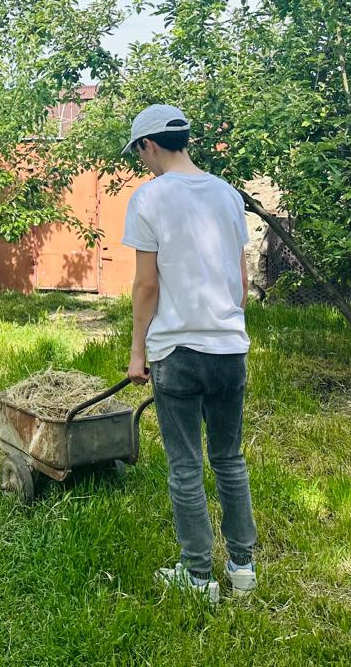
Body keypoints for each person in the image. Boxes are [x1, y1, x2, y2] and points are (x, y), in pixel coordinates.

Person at [121, 104, 258, 603]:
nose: (142, 163)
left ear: (149, 145)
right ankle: (242, 570)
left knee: (185, 465)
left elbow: (146, 286)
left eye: (139, 153)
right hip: (229, 350)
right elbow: (241, 283)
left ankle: (199, 576)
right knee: (229, 459)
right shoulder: (227, 195)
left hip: (176, 350)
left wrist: (138, 352)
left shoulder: (150, 198)